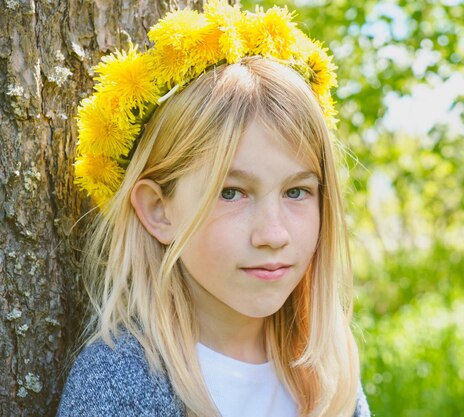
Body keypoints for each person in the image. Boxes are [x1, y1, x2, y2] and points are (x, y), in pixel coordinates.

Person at [58, 2, 370, 416]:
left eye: (296, 192)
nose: (274, 234)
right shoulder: (120, 384)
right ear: (158, 210)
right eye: (231, 193)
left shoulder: (327, 370)